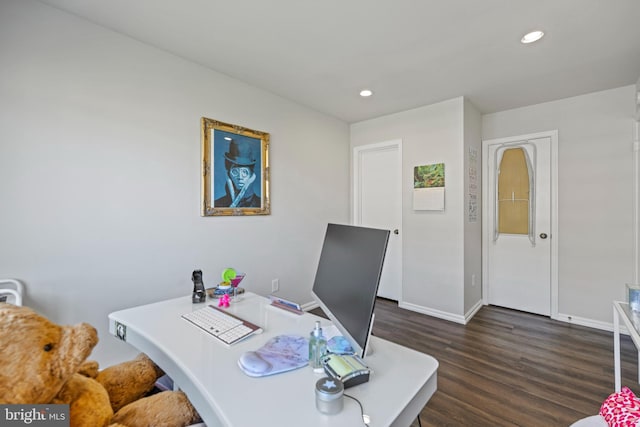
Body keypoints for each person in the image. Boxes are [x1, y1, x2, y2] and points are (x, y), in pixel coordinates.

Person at [214, 138, 261, 208]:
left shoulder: (260, 204)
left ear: (251, 175)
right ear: (229, 174)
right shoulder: (217, 204)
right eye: (235, 172)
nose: (240, 177)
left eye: (244, 172)